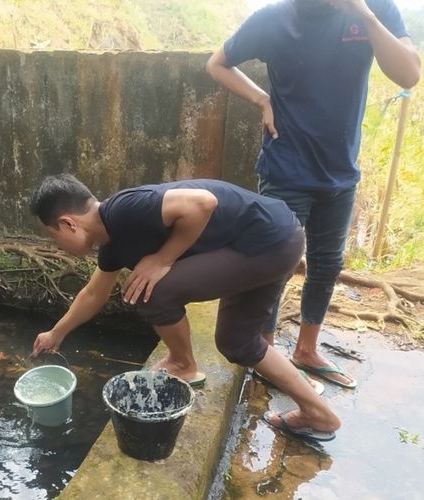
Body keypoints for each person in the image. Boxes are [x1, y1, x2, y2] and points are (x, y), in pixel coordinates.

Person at [29, 173, 341, 441]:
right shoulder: (112, 244)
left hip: (267, 240)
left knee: (150, 289)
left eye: (53, 236)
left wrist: (161, 259)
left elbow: (202, 203)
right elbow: (94, 293)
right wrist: (57, 333)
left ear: (67, 223)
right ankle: (318, 413)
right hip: (275, 241)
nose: (57, 246)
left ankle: (182, 364)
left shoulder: (126, 208)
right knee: (237, 343)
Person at [206, 0, 420, 389]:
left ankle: (306, 350)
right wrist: (261, 99)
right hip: (285, 168)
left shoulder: (373, 10)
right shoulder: (273, 19)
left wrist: (365, 16)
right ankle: (265, 352)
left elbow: (408, 74)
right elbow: (217, 62)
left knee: (327, 265)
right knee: (273, 264)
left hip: (341, 172)